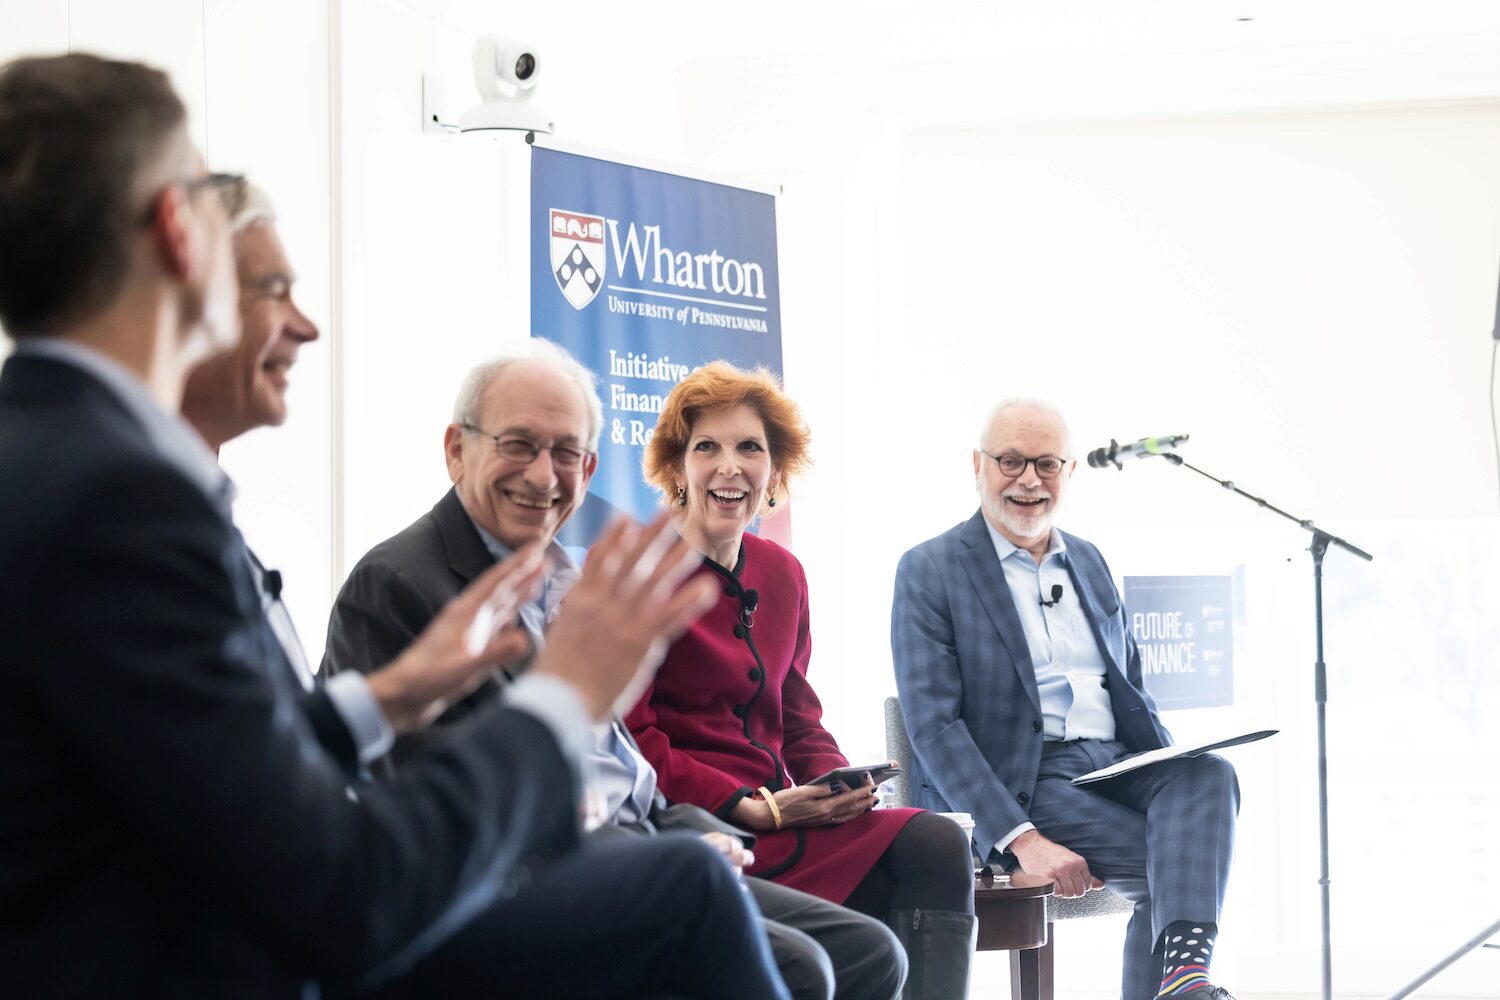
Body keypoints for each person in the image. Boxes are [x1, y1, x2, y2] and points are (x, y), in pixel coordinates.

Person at [0, 52, 785, 1000]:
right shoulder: (121, 501)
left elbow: (204, 768)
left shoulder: (55, 457)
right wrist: (560, 699)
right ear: (179, 232)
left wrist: (389, 695)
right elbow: (341, 893)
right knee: (684, 887)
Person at [324, 341, 906, 1000]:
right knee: (808, 967)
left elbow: (627, 769)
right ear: (457, 449)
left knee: (870, 953)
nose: (545, 476)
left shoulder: (564, 579)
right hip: (519, 890)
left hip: (656, 836)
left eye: (567, 454)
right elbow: (433, 827)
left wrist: (700, 834)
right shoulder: (400, 583)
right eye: (519, 445)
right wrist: (711, 831)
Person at [628, 361, 977, 1000]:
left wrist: (843, 786)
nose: (729, 467)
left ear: (774, 471)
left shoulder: (782, 572)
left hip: (786, 820)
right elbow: (633, 740)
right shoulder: (637, 572)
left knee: (935, 842)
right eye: (707, 447)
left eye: (749, 448)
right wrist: (750, 807)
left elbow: (797, 716)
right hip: (696, 828)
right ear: (678, 468)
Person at [890, 399, 1242, 1000]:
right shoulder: (930, 569)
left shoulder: (1089, 559)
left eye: (1046, 464)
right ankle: (1186, 983)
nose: (1029, 479)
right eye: (1011, 461)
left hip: (1115, 765)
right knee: (1176, 872)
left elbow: (1131, 689)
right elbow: (934, 727)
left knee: (1210, 775)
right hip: (1025, 783)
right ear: (978, 465)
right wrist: (1022, 839)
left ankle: (1185, 982)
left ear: (1070, 472)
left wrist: (1168, 780)